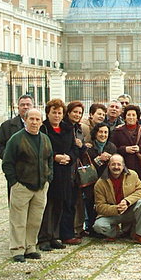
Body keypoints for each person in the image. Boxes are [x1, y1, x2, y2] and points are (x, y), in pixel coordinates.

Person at [2, 108, 53, 262]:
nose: (34, 122)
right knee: (18, 220)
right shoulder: (16, 139)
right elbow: (7, 163)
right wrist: (14, 183)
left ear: (41, 121)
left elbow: (49, 159)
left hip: (40, 186)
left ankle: (30, 247)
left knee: (35, 220)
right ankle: (17, 249)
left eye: (37, 119)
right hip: (22, 186)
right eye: (31, 119)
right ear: (25, 120)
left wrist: (48, 178)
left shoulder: (45, 139)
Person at [37, 98, 79, 251]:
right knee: (48, 206)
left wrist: (70, 157)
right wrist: (55, 157)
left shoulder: (68, 128)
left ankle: (55, 235)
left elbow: (74, 147)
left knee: (60, 205)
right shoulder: (44, 129)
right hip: (50, 171)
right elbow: (40, 149)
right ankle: (44, 238)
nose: (56, 115)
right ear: (48, 113)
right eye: (53, 112)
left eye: (59, 113)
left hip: (65, 172)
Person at [93, 154, 141, 244]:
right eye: (113, 164)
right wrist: (116, 208)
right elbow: (99, 207)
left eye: (119, 164)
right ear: (109, 165)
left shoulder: (132, 175)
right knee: (98, 226)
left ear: (123, 166)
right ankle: (114, 233)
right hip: (112, 214)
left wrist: (127, 201)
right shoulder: (100, 183)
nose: (116, 167)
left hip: (129, 210)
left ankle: (140, 235)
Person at [83, 123, 117, 235]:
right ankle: (91, 227)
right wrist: (99, 159)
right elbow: (86, 167)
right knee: (91, 203)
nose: (103, 135)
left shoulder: (111, 146)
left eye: (105, 132)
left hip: (106, 181)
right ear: (95, 133)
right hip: (91, 181)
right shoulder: (89, 147)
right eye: (100, 132)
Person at [61, 100, 86, 245]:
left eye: (80, 113)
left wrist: (81, 145)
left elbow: (80, 150)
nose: (77, 115)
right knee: (65, 203)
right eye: (75, 112)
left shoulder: (78, 128)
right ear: (68, 112)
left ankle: (70, 232)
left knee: (72, 203)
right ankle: (65, 234)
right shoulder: (65, 128)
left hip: (75, 170)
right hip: (66, 169)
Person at [111, 104, 141, 179]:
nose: (131, 117)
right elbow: (112, 149)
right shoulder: (117, 131)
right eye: (128, 115)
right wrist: (125, 149)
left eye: (133, 115)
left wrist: (140, 148)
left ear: (137, 118)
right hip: (123, 168)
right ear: (125, 117)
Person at [0, 94, 34, 160]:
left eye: (28, 104)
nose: (25, 107)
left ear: (33, 107)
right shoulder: (6, 126)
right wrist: (8, 157)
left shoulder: (41, 125)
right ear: (18, 108)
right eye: (22, 105)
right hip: (15, 166)